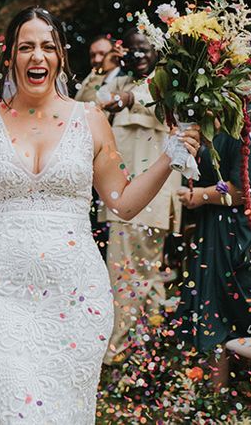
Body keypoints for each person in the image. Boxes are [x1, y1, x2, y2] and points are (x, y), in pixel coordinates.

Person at [0, 7, 200, 424]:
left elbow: (121, 202)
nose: (38, 56)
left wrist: (168, 157)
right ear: (11, 57)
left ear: (61, 57)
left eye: (48, 47)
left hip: (76, 295)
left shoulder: (90, 119)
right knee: (5, 408)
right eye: (26, 47)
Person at [174, 84, 251, 387]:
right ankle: (217, 401)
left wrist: (203, 195)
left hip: (248, 237)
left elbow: (245, 189)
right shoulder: (224, 122)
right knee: (214, 317)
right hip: (220, 232)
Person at [101, 27, 183, 364]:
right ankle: (138, 347)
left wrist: (132, 99)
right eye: (132, 50)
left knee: (143, 272)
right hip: (119, 197)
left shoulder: (168, 85)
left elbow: (166, 109)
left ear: (156, 51)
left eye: (144, 49)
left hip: (153, 199)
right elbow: (92, 101)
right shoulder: (114, 81)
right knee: (124, 272)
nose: (138, 55)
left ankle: (130, 346)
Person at [74, 34, 113, 102]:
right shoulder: (91, 75)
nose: (96, 59)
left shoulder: (121, 78)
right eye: (92, 55)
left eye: (102, 53)